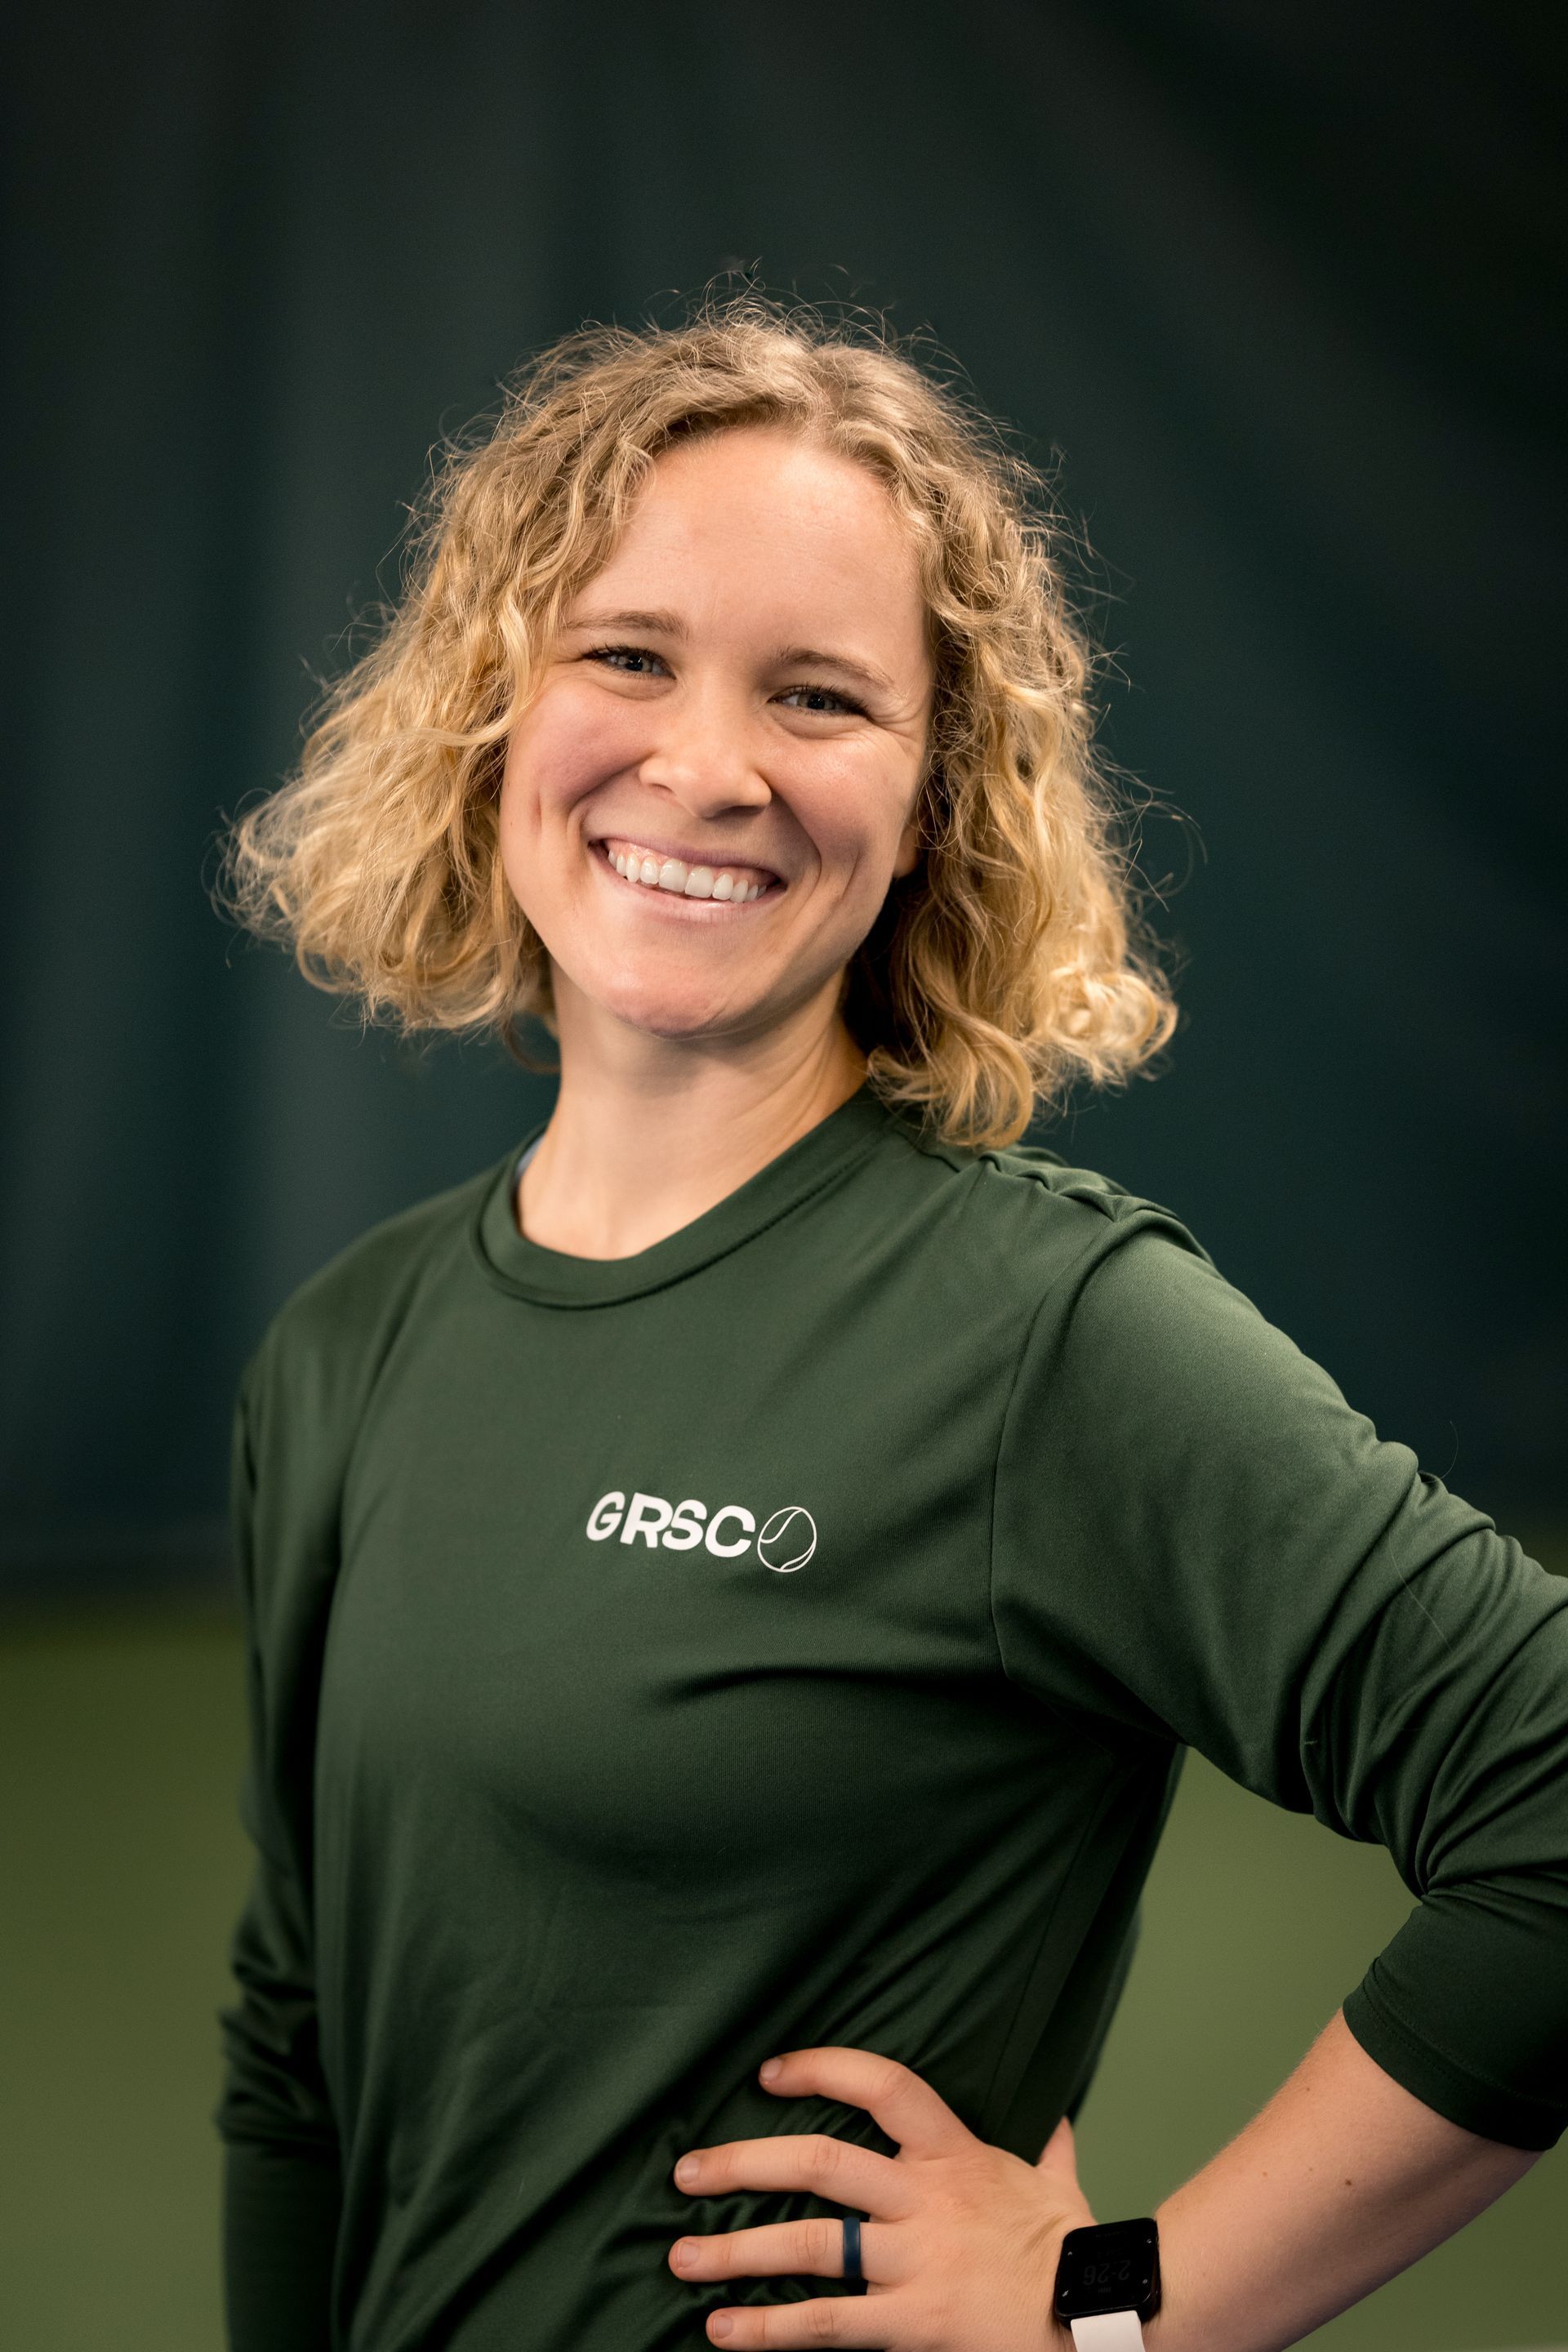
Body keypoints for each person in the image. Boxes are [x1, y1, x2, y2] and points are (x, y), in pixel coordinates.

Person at [218, 301, 1566, 2352]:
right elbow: (295, 2045)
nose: (707, 767)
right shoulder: (344, 1351)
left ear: (935, 800)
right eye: (627, 656)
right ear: (492, 708)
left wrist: (1119, 2310)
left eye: (820, 696)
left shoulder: (1048, 1339)